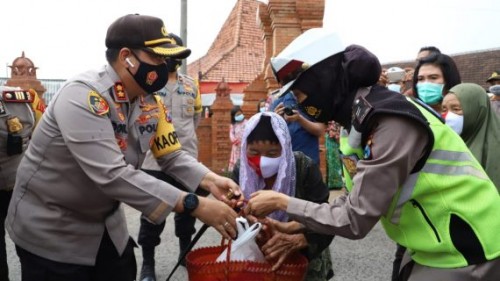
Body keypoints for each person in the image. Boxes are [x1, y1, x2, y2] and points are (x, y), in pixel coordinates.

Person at [243, 28, 500, 280]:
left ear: (323, 81)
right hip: (432, 244)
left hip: (468, 246)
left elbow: (356, 219)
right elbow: (352, 196)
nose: (299, 105)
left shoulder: (389, 121)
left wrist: (282, 202)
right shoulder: (357, 122)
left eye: (300, 94)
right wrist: (300, 224)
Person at [5, 14, 243, 281]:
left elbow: (171, 154)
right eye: (157, 58)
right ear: (126, 57)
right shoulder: (83, 96)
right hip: (54, 230)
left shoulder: (149, 101)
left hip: (106, 225)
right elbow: (112, 174)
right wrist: (192, 203)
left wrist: (210, 180)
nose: (165, 66)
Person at [231, 112, 334, 280]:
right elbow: (233, 214)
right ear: (244, 149)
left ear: (285, 148)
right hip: (256, 261)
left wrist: (302, 238)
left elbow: (327, 217)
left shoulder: (303, 168)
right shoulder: (242, 171)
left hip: (302, 262)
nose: (262, 161)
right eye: (254, 152)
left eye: (272, 154)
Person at [137, 32, 205, 281]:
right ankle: (148, 265)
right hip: (154, 163)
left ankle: (184, 254)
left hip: (186, 159)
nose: (173, 59)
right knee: (152, 214)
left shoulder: (191, 86)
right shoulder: (149, 84)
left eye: (177, 54)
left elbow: (195, 119)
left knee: (188, 211)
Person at [0, 86, 45, 281]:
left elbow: (45, 138)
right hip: (22, 186)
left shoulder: (23, 98)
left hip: (20, 188)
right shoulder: (23, 99)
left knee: (33, 250)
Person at [442, 83, 500, 189]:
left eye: (456, 109)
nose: (448, 116)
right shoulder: (448, 143)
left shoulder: (494, 149)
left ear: (477, 110)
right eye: (444, 110)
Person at [269, 91, 326, 165]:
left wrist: (300, 119)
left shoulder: (313, 100)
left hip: (309, 160)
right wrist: (276, 120)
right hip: (285, 161)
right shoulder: (278, 101)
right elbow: (268, 135)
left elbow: (320, 130)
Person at [324, 121, 343, 190]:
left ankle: (337, 184)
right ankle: (330, 183)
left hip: (335, 142)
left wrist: (335, 132)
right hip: (329, 141)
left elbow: (337, 131)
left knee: (336, 162)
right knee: (329, 162)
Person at [228, 105, 247, 172]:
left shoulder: (247, 123)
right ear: (233, 117)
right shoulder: (233, 125)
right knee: (237, 163)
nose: (239, 115)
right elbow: (231, 134)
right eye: (237, 115)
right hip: (236, 148)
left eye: (240, 114)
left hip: (245, 146)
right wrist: (235, 141)